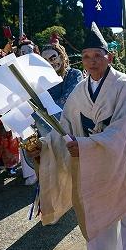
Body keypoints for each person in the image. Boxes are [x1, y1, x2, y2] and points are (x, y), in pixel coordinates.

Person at [26, 24, 126, 250]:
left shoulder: (125, 87)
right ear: (81, 61)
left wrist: (83, 145)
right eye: (86, 57)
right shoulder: (80, 91)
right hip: (95, 168)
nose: (92, 62)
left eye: (97, 55)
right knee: (99, 218)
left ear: (109, 57)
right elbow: (65, 129)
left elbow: (123, 131)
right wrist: (45, 145)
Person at [22, 37, 83, 185]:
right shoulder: (38, 81)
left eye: (53, 57)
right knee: (58, 175)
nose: (50, 62)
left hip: (72, 130)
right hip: (48, 135)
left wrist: (38, 109)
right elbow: (31, 107)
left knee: (77, 173)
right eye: (45, 60)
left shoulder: (74, 74)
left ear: (61, 56)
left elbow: (66, 102)